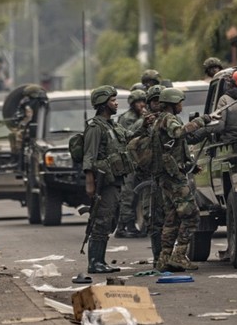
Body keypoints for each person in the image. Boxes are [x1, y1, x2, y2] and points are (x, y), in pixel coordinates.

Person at [152, 88, 212, 271]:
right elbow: (179, 133)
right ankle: (179, 255)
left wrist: (189, 166)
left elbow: (172, 149)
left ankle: (164, 259)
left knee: (172, 218)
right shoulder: (168, 119)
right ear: (172, 103)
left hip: (167, 175)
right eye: (180, 102)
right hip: (174, 178)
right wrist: (201, 121)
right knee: (192, 215)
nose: (181, 105)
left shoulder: (160, 119)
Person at [82, 85, 140, 274]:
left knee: (109, 220)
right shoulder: (95, 127)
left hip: (115, 181)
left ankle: (100, 261)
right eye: (112, 101)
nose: (116, 104)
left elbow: (130, 136)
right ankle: (95, 262)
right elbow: (89, 156)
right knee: (101, 220)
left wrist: (145, 124)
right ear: (102, 103)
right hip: (103, 182)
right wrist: (90, 183)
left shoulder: (113, 126)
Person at [114, 89, 149, 238]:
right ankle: (123, 226)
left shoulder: (144, 115)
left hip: (140, 159)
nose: (141, 104)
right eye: (138, 102)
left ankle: (130, 224)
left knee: (139, 194)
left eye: (143, 101)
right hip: (128, 160)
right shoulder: (127, 118)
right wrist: (143, 120)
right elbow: (127, 135)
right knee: (128, 194)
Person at [3, 84, 47, 169]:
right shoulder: (43, 102)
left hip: (34, 129)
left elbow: (28, 117)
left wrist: (21, 123)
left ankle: (16, 159)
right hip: (41, 128)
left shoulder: (30, 104)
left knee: (14, 136)